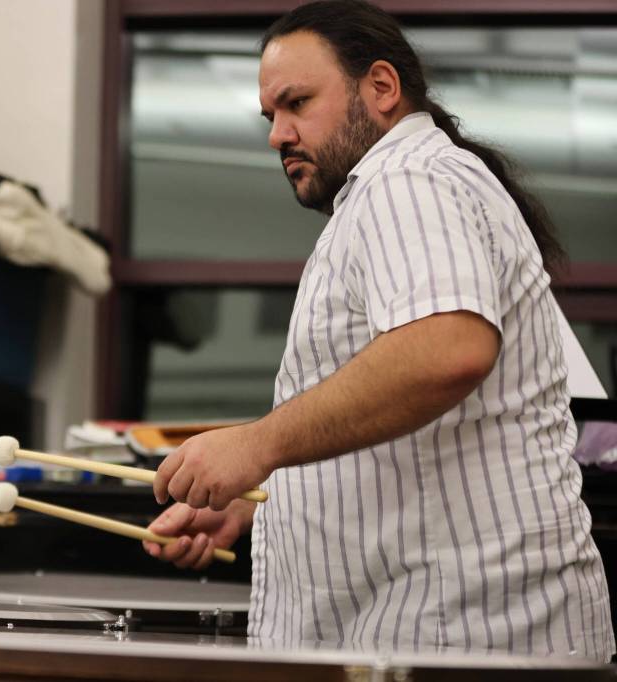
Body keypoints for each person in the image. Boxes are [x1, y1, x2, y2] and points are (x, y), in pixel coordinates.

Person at [143, 0, 615, 661]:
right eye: (270, 116)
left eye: (297, 102)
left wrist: (257, 445)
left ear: (383, 88)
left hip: (461, 635)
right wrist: (262, 504)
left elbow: (446, 352)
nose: (278, 133)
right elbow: (400, 426)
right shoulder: (397, 188)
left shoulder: (408, 179)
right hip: (437, 632)